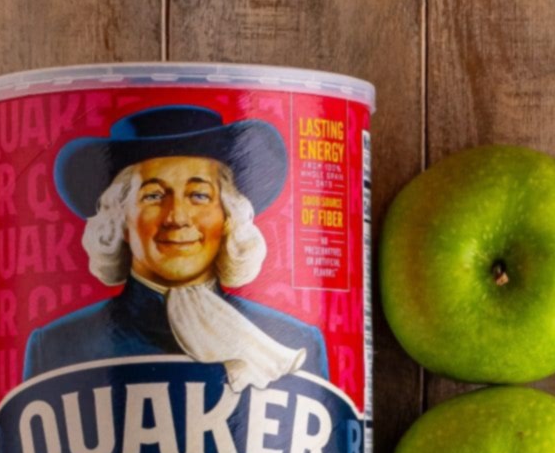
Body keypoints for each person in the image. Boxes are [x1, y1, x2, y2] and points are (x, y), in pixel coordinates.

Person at [23, 104, 328, 389]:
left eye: (199, 195)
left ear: (227, 216)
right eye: (154, 196)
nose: (177, 217)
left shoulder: (294, 341)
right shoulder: (57, 347)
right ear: (120, 221)